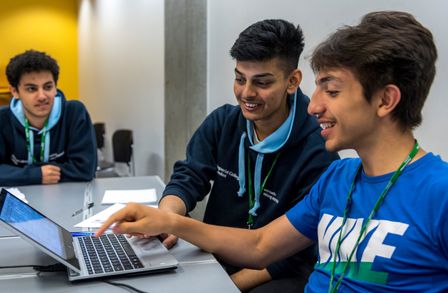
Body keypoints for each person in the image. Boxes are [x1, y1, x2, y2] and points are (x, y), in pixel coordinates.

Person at [97, 11, 448, 292]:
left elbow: (280, 261)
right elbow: (261, 244)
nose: (314, 107)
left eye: (333, 91)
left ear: (385, 100)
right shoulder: (339, 178)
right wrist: (170, 219)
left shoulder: (439, 192)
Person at [158, 19, 338, 292]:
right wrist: (167, 217)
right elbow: (189, 177)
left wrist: (227, 286)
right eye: (240, 79)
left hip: (273, 273)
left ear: (293, 81)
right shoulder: (223, 123)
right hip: (216, 256)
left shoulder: (318, 151)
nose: (246, 93)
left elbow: (297, 253)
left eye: (261, 82)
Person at [0, 50, 97, 186]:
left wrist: (15, 174)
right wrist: (36, 175)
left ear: (55, 87)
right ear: (15, 91)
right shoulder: (2, 119)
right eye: (31, 89)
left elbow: (85, 170)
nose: (42, 96)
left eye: (48, 87)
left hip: (67, 197)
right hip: (18, 199)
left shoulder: (74, 112)